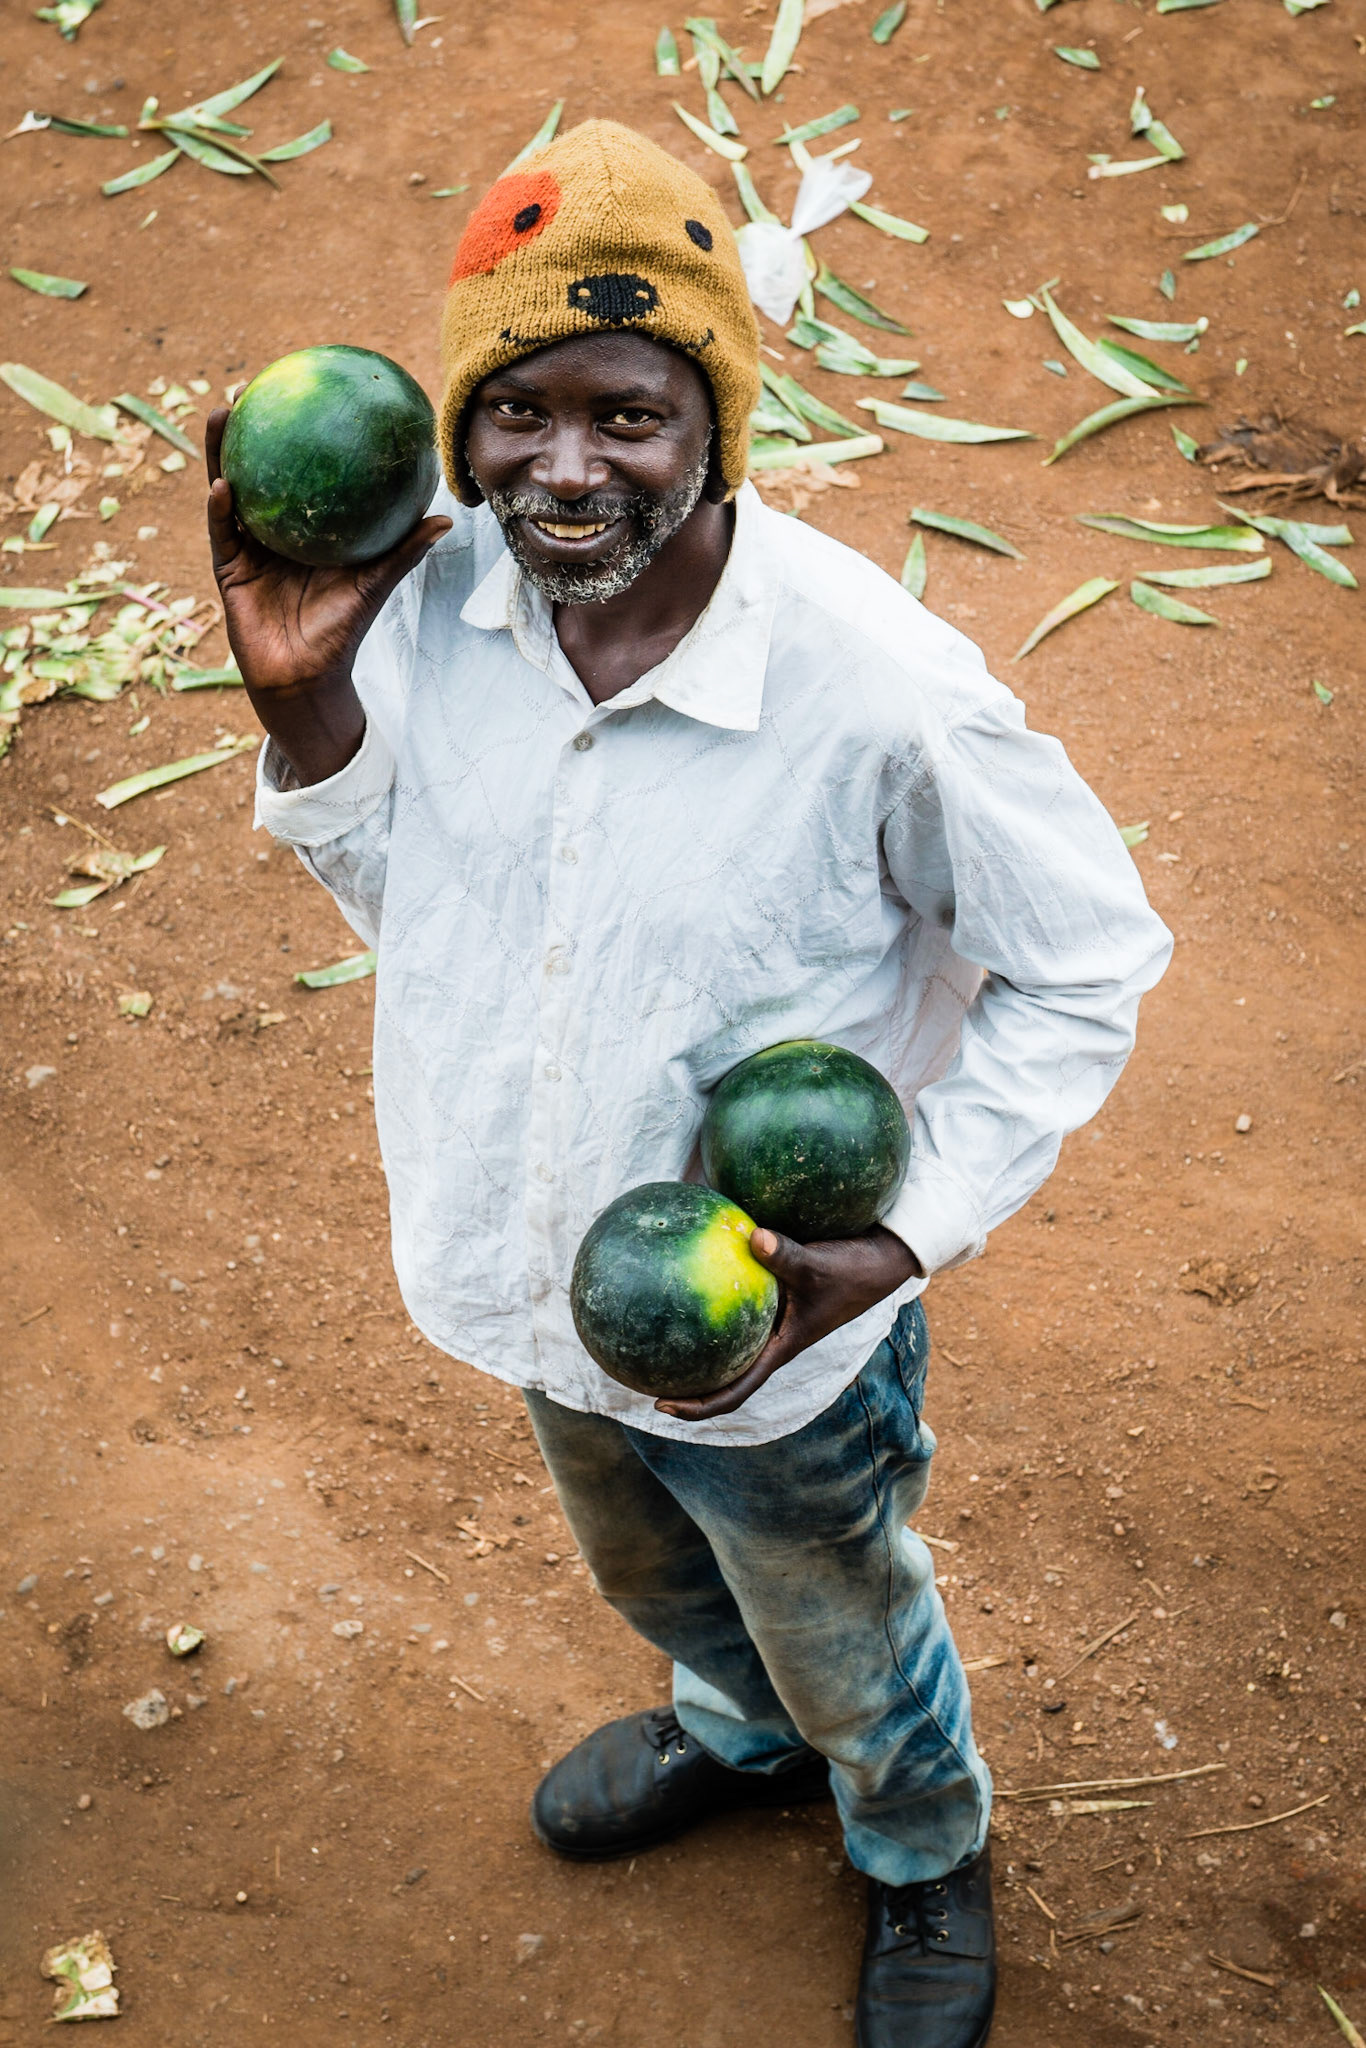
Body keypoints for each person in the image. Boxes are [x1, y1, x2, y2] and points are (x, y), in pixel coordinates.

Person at [206, 120, 1171, 2048]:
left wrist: (898, 1239)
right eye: (520, 413)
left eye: (629, 417)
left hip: (777, 1323)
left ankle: (916, 1842)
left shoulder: (878, 690)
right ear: (458, 429)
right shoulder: (428, 611)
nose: (566, 469)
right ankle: (736, 1735)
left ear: (716, 426)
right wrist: (308, 715)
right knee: (648, 1563)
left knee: (838, 1605)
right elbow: (429, 908)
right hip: (535, 1261)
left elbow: (1086, 962)